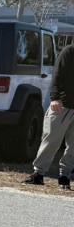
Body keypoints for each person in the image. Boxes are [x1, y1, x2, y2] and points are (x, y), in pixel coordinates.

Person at [25, 43, 74, 189]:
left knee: (73, 146)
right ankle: (38, 174)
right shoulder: (69, 51)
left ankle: (65, 176)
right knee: (51, 140)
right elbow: (58, 74)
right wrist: (54, 98)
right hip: (62, 105)